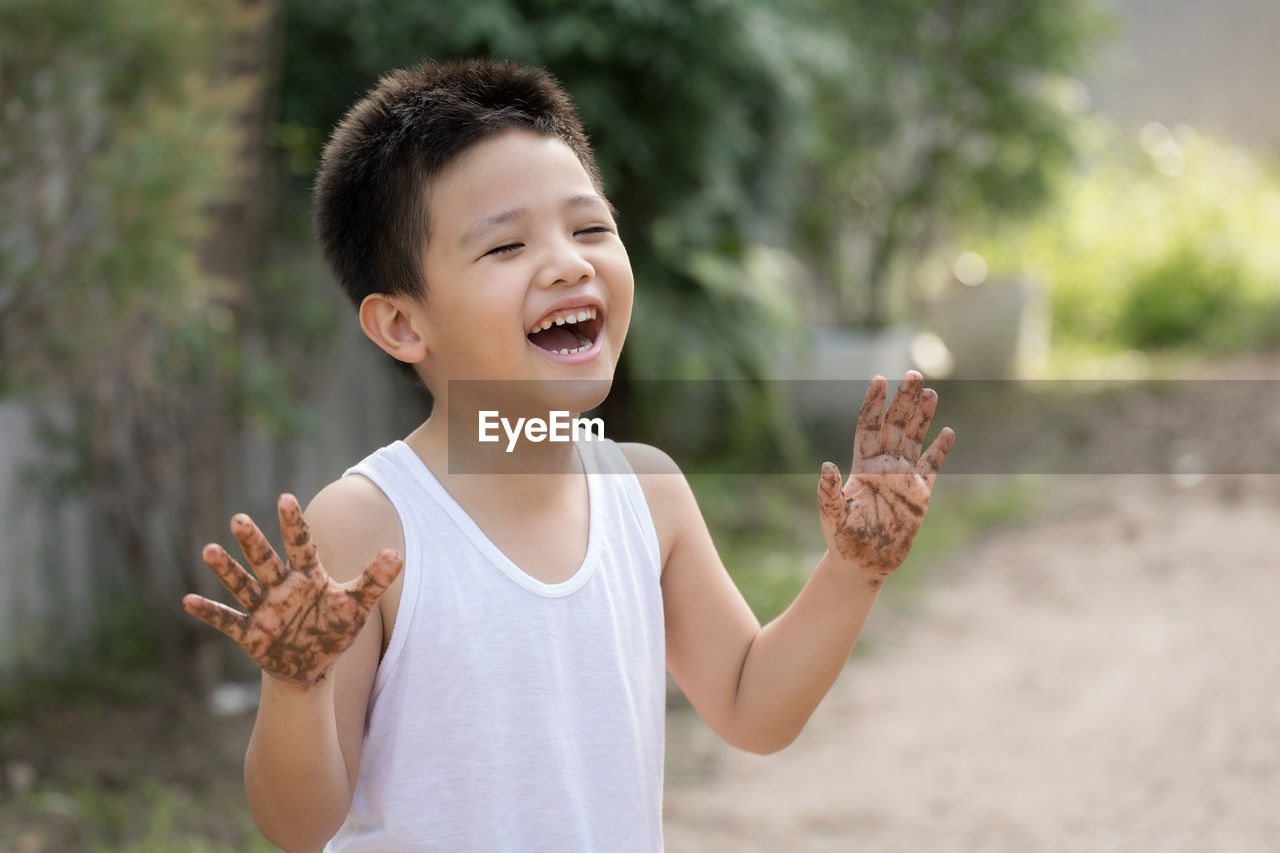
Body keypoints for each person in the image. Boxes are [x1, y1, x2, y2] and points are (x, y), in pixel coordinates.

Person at [181, 57, 955, 853]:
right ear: (403, 325)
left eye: (590, 228)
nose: (568, 262)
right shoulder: (371, 521)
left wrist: (854, 570)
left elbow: (752, 706)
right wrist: (295, 683)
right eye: (506, 246)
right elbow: (297, 826)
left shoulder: (648, 495)